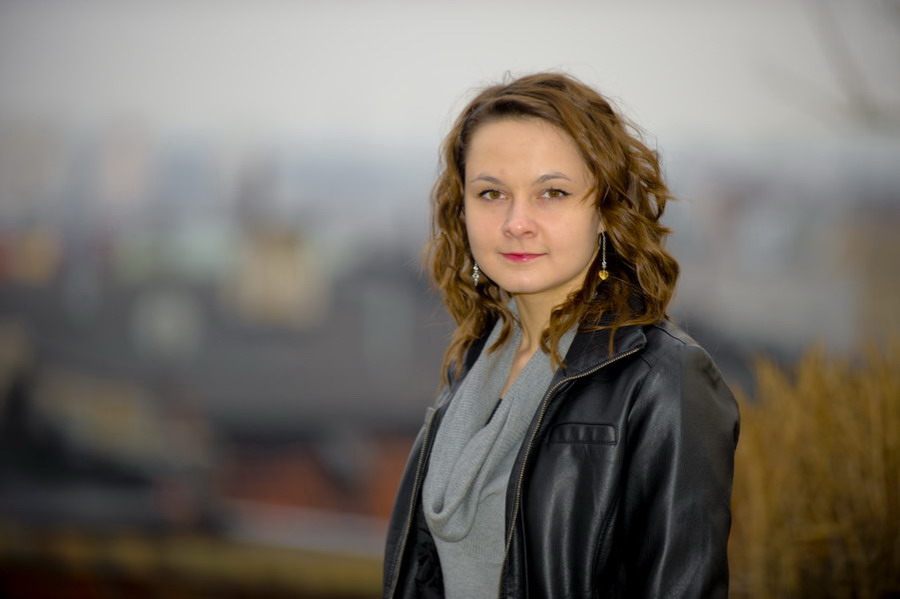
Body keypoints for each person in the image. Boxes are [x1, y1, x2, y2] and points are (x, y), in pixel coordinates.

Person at [383, 72, 739, 598]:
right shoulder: (475, 364)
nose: (517, 222)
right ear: (462, 209)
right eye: (491, 193)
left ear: (605, 211)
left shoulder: (664, 381)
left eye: (552, 192)